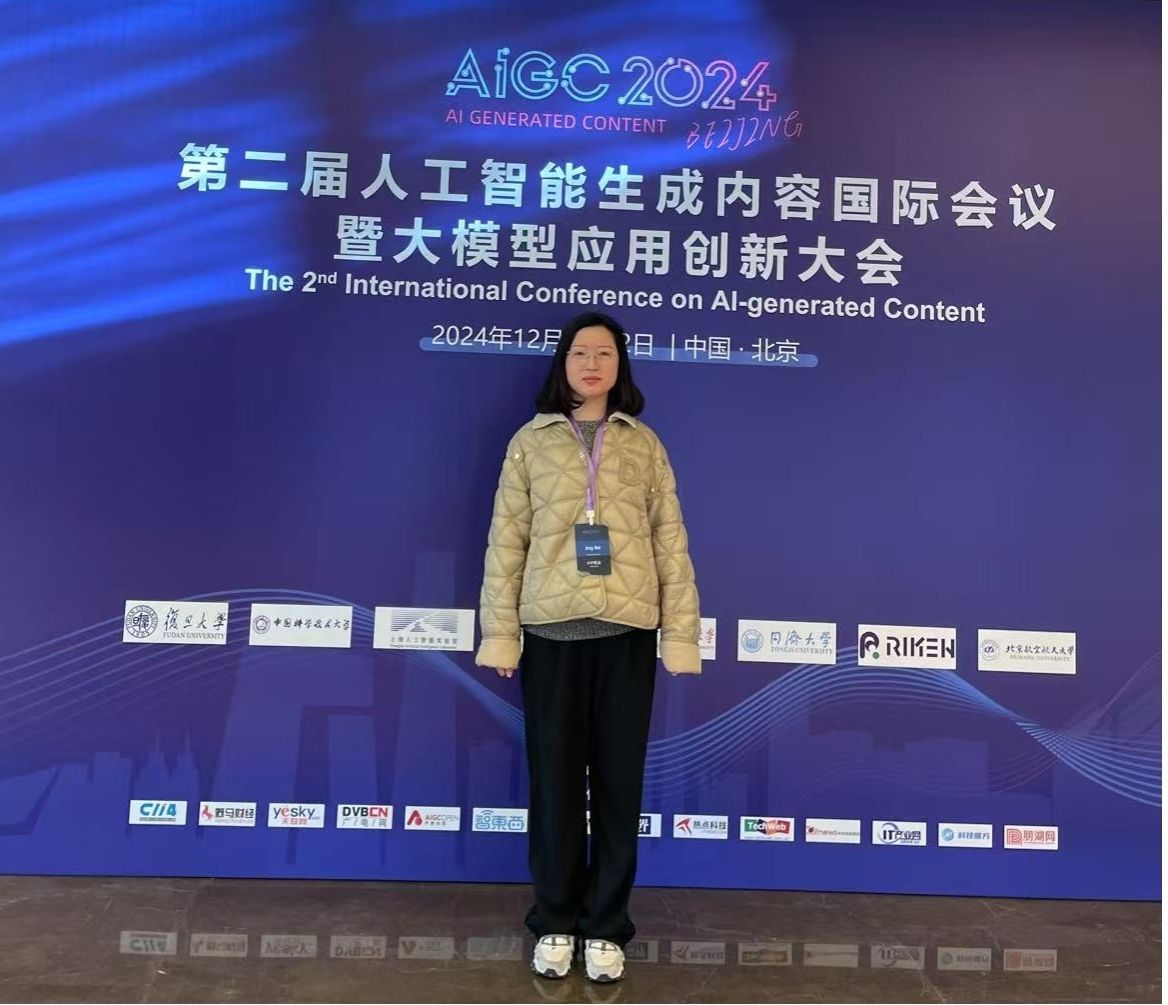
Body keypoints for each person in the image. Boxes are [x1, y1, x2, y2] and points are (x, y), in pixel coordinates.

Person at [475, 311, 701, 983]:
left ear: (619, 365)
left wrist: (680, 634)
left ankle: (606, 927)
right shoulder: (530, 442)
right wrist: (501, 634)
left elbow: (671, 542)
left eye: (605, 353)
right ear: (563, 364)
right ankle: (554, 920)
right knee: (554, 786)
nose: (592, 364)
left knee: (618, 786)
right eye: (581, 353)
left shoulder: (644, 443)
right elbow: (506, 542)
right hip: (550, 637)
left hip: (626, 635)